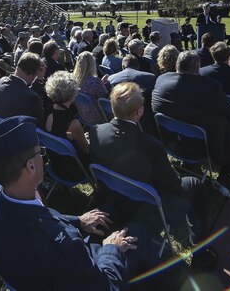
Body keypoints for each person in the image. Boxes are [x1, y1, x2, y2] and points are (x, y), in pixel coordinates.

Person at [0, 116, 149, 291]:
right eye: (41, 153)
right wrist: (112, 249)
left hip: (43, 274)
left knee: (108, 212)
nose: (42, 158)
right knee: (137, 230)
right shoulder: (66, 246)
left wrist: (78, 221)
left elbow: (40, 217)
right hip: (83, 276)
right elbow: (106, 286)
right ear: (31, 167)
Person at [89, 82, 216, 269]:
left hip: (116, 199)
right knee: (194, 184)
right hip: (149, 208)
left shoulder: (96, 131)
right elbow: (173, 185)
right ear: (139, 112)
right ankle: (199, 249)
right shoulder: (151, 145)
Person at [151, 51, 230, 188]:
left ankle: (191, 162)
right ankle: (228, 175)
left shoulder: (162, 79)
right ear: (197, 68)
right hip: (203, 141)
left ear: (177, 65)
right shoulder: (210, 86)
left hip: (173, 139)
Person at [0, 52, 43, 123]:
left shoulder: (1, 81)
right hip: (20, 133)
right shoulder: (32, 98)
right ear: (32, 74)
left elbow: (20, 91)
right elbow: (39, 124)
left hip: (1, 130)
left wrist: (38, 79)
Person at [72, 51, 108, 125]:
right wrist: (102, 84)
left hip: (82, 116)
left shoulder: (73, 81)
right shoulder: (96, 82)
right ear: (92, 65)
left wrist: (101, 83)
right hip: (98, 117)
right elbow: (105, 99)